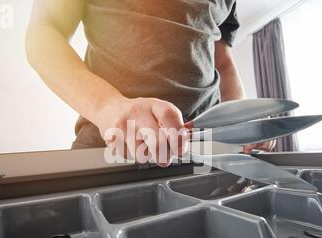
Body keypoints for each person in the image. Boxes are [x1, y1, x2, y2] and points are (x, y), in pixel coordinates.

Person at [26, 0, 274, 167]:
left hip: (208, 152)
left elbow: (224, 63)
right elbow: (43, 33)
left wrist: (238, 117)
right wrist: (109, 107)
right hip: (112, 148)